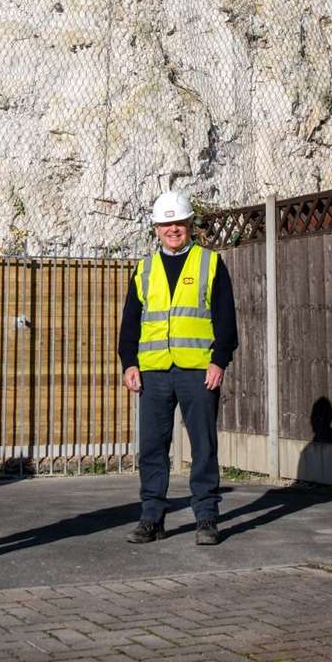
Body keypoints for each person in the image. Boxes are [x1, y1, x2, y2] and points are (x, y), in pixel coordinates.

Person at [118, 190, 239, 546]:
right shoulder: (144, 269)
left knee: (203, 446)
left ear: (189, 225)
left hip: (197, 370)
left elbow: (226, 319)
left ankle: (206, 519)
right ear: (156, 228)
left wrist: (219, 360)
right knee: (153, 447)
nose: (173, 229)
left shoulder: (210, 263)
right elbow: (130, 323)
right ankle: (151, 518)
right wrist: (129, 363)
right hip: (153, 371)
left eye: (179, 223)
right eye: (166, 223)